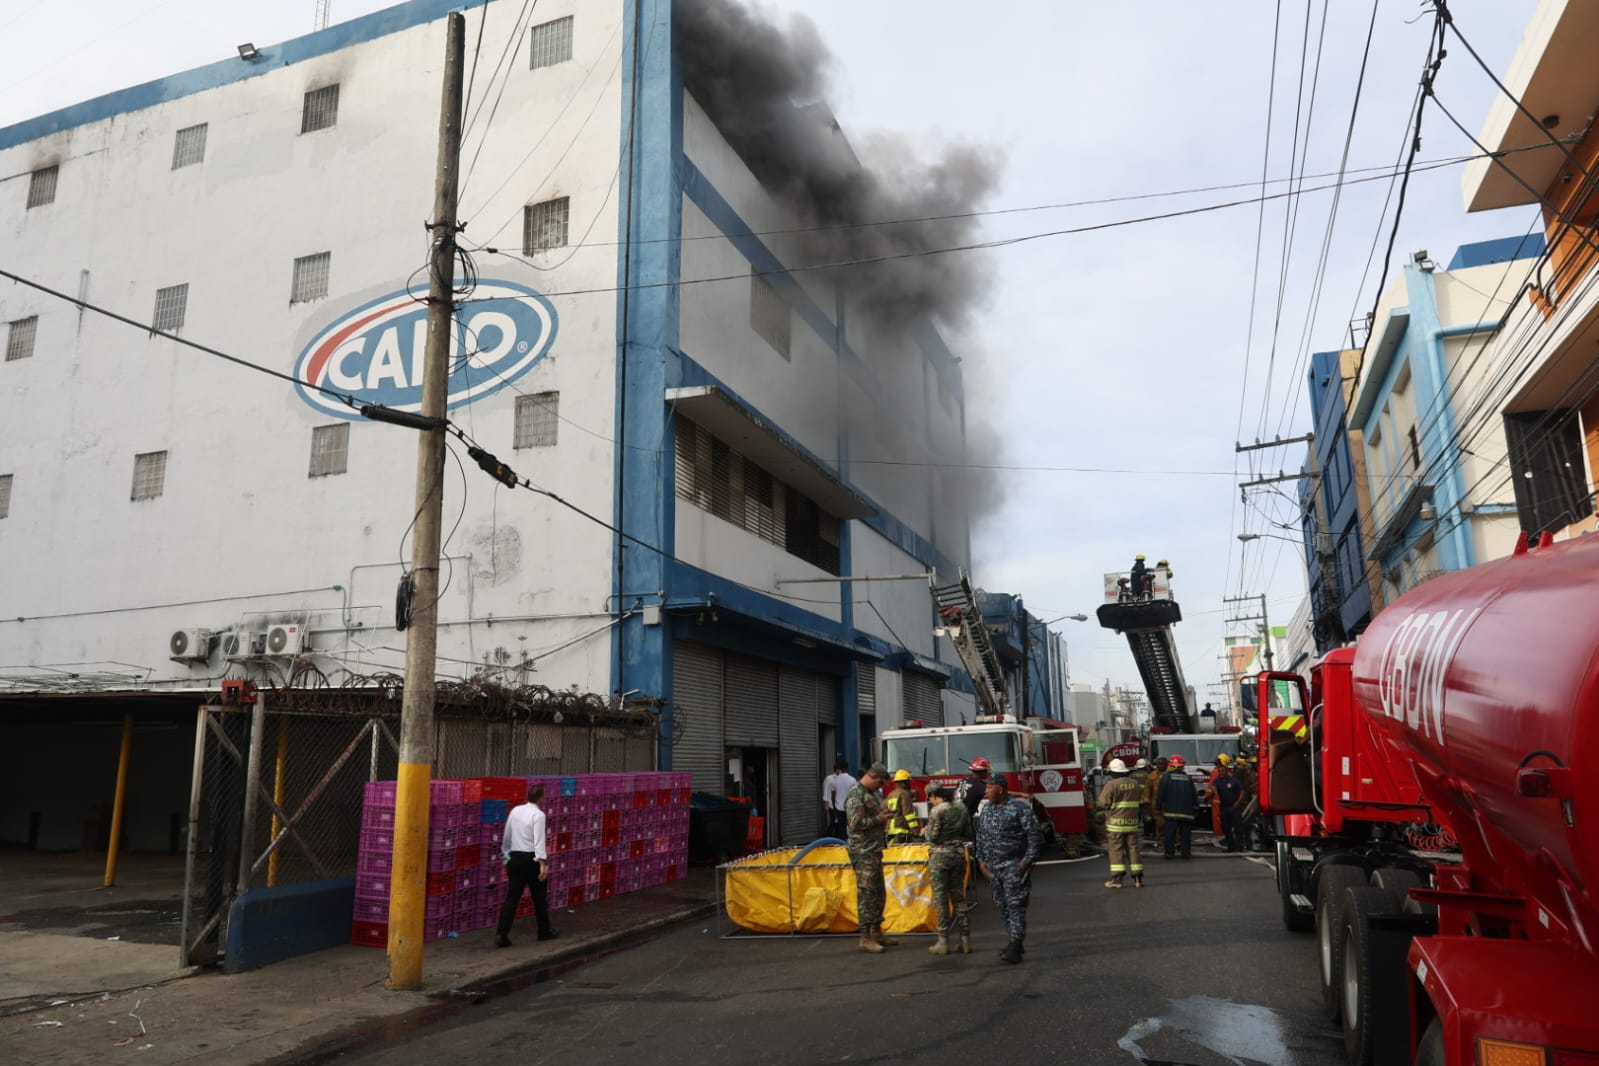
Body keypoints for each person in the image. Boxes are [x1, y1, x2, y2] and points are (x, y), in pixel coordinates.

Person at [975, 773, 1043, 964]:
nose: (986, 791)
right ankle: (1014, 941)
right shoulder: (987, 809)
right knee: (1003, 906)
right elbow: (980, 836)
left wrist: (1025, 862)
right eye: (986, 787)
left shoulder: (1020, 808)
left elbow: (1035, 837)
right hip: (993, 869)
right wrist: (981, 860)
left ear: (1001, 789)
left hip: (1014, 867)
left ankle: (1015, 944)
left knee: (1015, 906)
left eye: (990, 787)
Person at [495, 784, 558, 947]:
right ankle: (544, 931)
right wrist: (543, 863)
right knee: (539, 898)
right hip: (531, 859)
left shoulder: (515, 811)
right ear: (541, 798)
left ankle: (502, 933)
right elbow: (539, 841)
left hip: (514, 858)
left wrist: (506, 857)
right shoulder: (539, 815)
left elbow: (507, 836)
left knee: (512, 897)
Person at [846, 762, 895, 953]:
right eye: (880, 783)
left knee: (878, 892)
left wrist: (882, 816)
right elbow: (855, 824)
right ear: (872, 775)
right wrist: (879, 819)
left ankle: (876, 931)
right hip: (863, 851)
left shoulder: (869, 794)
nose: (881, 787)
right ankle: (865, 937)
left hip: (873, 850)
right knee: (867, 893)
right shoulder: (856, 795)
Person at [922, 781, 972, 955]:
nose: (930, 802)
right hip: (959, 855)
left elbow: (933, 837)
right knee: (959, 898)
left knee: (941, 898)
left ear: (934, 796)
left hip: (940, 858)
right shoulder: (962, 807)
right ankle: (965, 941)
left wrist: (925, 831)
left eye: (930, 798)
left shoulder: (937, 810)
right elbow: (968, 831)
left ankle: (943, 941)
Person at [1097, 758, 1146, 888]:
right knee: (1133, 849)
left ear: (1113, 772)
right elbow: (1141, 802)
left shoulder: (1111, 785)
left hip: (1115, 825)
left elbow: (1103, 803)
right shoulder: (1135, 784)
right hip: (1132, 823)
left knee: (1116, 850)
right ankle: (1138, 878)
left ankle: (1117, 880)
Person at [1156, 754, 1198, 859]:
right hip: (1187, 813)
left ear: (1171, 765)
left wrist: (1158, 807)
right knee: (1185, 834)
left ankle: (1169, 853)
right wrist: (1196, 808)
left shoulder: (1166, 777)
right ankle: (1186, 853)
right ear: (1182, 765)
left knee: (1170, 834)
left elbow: (1161, 793)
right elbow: (1194, 795)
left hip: (1171, 812)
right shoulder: (1188, 778)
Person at [1213, 763, 1245, 852]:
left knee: (1238, 828)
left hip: (1234, 807)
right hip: (1224, 807)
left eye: (1223, 771)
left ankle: (1239, 847)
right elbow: (1214, 788)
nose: (1221, 772)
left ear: (1227, 771)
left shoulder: (1234, 780)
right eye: (1220, 771)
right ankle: (1231, 847)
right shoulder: (1217, 781)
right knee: (1226, 828)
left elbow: (1242, 791)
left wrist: (1238, 802)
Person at [885, 769, 922, 844]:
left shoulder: (890, 794)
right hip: (901, 831)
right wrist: (915, 831)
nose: (909, 784)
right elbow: (909, 815)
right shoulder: (905, 794)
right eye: (908, 782)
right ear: (904, 783)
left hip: (890, 831)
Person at [822, 757, 855, 841]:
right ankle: (846, 840)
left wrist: (833, 804)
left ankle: (840, 841)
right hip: (848, 807)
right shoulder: (852, 780)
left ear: (840, 769)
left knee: (840, 825)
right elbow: (854, 795)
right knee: (847, 824)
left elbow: (833, 794)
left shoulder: (836, 780)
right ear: (847, 769)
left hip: (838, 807)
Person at [1207, 752, 1232, 840]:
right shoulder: (1229, 772)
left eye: (1217, 759)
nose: (1215, 761)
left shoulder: (1216, 771)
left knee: (1217, 818)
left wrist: (1208, 796)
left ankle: (1219, 835)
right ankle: (1227, 835)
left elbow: (1211, 786)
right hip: (1228, 801)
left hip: (1217, 800)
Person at [1144, 757, 1168, 843]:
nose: (1159, 765)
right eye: (1157, 764)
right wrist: (1147, 802)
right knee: (1160, 824)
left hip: (1169, 804)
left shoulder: (1170, 774)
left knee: (1171, 825)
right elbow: (1147, 790)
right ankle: (1161, 843)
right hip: (1156, 805)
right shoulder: (1152, 776)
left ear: (1166, 764)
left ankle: (1174, 842)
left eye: (1161, 763)